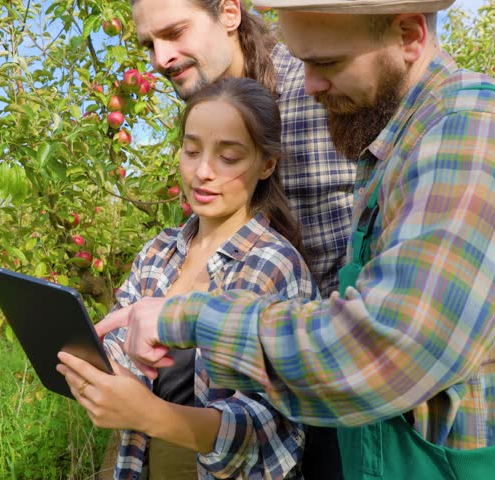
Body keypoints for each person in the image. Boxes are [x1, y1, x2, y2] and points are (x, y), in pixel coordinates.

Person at [98, 1, 495, 479]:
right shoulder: (397, 147)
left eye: (327, 63)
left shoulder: (474, 138)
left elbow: (387, 347)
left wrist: (186, 315)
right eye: (303, 62)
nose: (311, 86)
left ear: (408, 35)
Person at [129, 1, 351, 475]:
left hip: (335, 378)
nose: (159, 58)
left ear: (229, 13)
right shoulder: (213, 103)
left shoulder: (318, 89)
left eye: (174, 33)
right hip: (256, 375)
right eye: (149, 44)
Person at [57, 77, 317, 480]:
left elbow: (271, 428)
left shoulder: (273, 266)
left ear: (267, 164)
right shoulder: (158, 254)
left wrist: (150, 413)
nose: (202, 172)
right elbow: (117, 344)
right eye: (191, 151)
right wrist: (97, 371)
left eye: (229, 157)